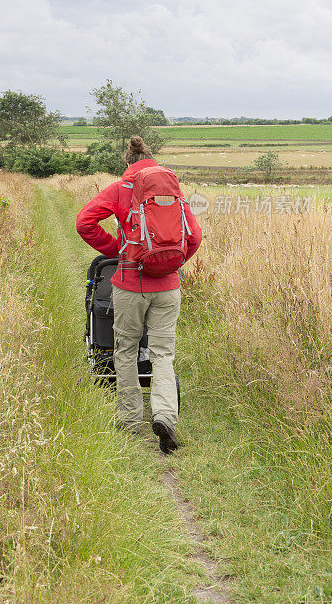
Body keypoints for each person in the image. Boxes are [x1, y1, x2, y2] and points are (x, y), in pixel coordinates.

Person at [76, 136, 202, 453]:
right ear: (151, 159)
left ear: (127, 163)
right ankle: (164, 417)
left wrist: (118, 251)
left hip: (130, 285)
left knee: (126, 350)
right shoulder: (171, 189)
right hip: (168, 287)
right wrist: (172, 264)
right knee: (162, 354)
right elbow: (195, 237)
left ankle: (131, 421)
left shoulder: (120, 189)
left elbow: (84, 222)